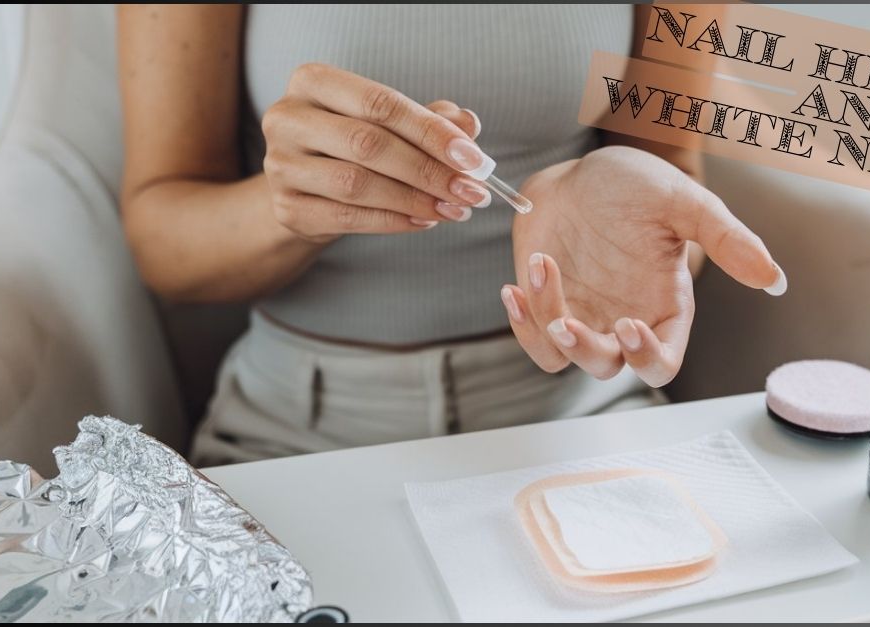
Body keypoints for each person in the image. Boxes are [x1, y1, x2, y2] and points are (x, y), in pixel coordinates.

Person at [116, 5, 784, 465]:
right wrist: (292, 204)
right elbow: (160, 239)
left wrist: (630, 263)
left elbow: (670, 181)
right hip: (292, 429)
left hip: (580, 411)